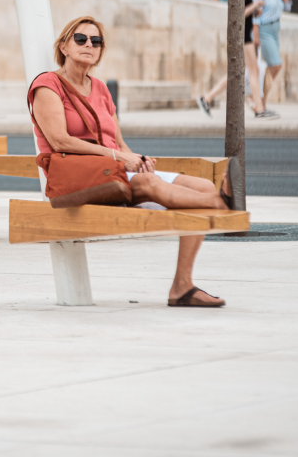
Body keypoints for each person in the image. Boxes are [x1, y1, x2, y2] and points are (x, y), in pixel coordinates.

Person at [29, 16, 231, 307]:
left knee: (199, 185)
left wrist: (136, 159)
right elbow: (59, 141)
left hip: (116, 172)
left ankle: (182, 287)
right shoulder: (47, 84)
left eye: (96, 41)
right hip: (79, 181)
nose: (89, 45)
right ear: (63, 46)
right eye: (81, 39)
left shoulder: (100, 88)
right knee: (166, 188)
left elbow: (119, 142)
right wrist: (117, 157)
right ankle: (223, 203)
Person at [197, 0, 276, 119]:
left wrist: (256, 11)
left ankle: (207, 98)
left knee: (237, 73)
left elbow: (245, 12)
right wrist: (255, 6)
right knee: (253, 71)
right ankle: (259, 109)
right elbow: (238, 14)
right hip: (242, 37)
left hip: (244, 35)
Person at [248, 0, 293, 105]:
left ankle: (262, 101)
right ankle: (258, 99)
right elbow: (254, 12)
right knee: (275, 65)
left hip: (274, 31)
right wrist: (255, 34)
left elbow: (287, 7)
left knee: (272, 67)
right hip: (264, 31)